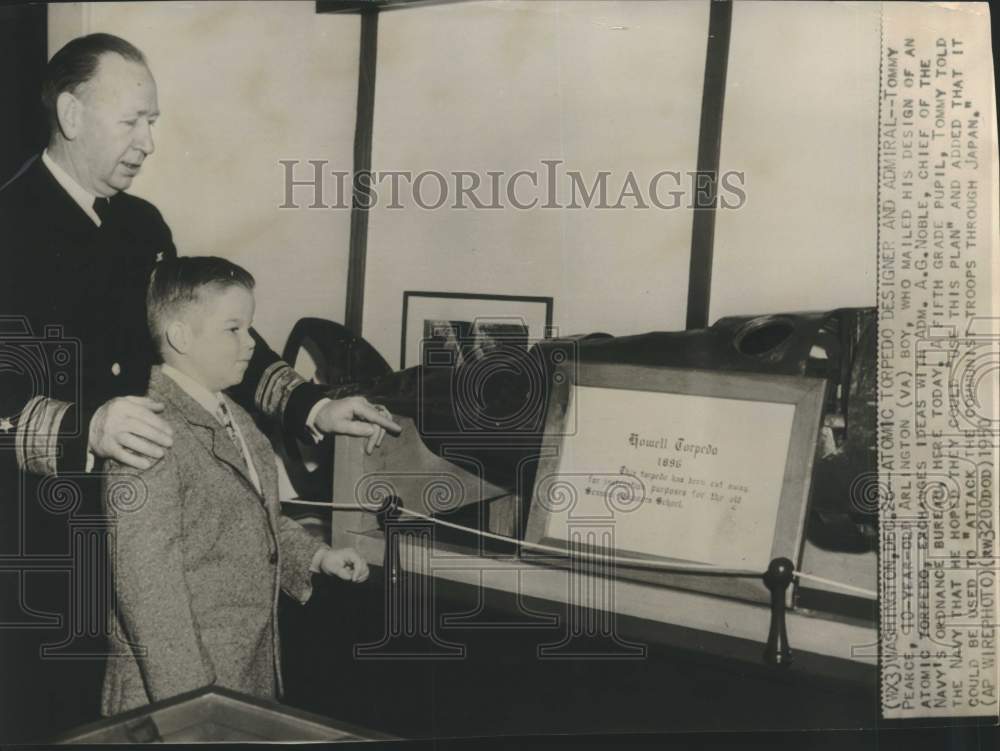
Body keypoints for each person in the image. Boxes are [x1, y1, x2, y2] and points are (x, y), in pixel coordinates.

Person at [0, 33, 399, 741]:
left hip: (157, 530)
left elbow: (206, 333)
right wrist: (82, 427)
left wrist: (313, 403)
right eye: (132, 121)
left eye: (153, 121)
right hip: (47, 550)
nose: (149, 141)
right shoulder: (10, 223)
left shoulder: (141, 226)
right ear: (70, 112)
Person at [102, 257, 370, 715]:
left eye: (250, 328)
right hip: (177, 699)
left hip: (241, 679)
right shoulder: (149, 433)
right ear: (180, 336)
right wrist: (194, 708)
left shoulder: (236, 416)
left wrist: (316, 557)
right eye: (234, 329)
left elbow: (256, 519)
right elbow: (151, 598)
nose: (251, 344)